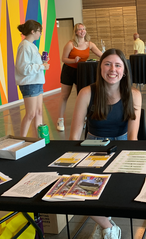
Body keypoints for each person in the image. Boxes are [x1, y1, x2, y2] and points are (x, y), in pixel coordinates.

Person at [69, 48, 141, 239]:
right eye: (107, 64)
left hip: (123, 147)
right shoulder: (86, 93)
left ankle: (104, 224)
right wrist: (71, 163)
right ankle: (108, 226)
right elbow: (75, 134)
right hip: (92, 148)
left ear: (124, 70)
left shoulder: (134, 95)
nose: (112, 69)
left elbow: (133, 136)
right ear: (100, 68)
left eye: (118, 65)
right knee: (76, 188)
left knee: (115, 189)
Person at [57, 23, 103, 131]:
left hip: (81, 72)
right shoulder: (70, 44)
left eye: (83, 29)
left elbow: (101, 55)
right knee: (64, 96)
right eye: (79, 29)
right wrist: (73, 60)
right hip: (68, 71)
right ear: (76, 32)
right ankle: (60, 120)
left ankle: (82, 119)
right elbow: (63, 59)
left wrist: (112, 58)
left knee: (81, 96)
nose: (82, 31)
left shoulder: (89, 44)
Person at [15, 20, 50, 137]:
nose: (40, 34)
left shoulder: (32, 46)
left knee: (39, 112)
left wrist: (42, 60)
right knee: (31, 114)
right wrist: (41, 66)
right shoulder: (25, 46)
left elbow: (31, 63)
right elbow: (23, 68)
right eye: (39, 31)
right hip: (29, 84)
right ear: (32, 31)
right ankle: (21, 139)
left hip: (37, 82)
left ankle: (39, 139)